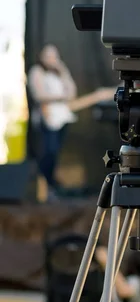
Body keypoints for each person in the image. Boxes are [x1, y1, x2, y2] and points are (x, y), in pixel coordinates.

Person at [27, 44, 77, 200]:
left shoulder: (59, 73)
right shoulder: (37, 71)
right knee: (49, 150)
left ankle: (50, 185)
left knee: (55, 153)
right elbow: (39, 95)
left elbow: (71, 92)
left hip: (62, 118)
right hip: (47, 118)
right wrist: (59, 98)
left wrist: (62, 70)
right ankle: (43, 184)